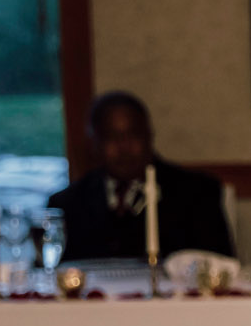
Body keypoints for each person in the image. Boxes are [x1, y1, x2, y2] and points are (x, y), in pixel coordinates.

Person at [49, 91, 234, 261]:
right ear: (95, 144)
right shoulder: (67, 204)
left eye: (133, 136)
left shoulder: (197, 193)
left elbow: (221, 264)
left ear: (149, 136)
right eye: (112, 137)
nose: (124, 148)